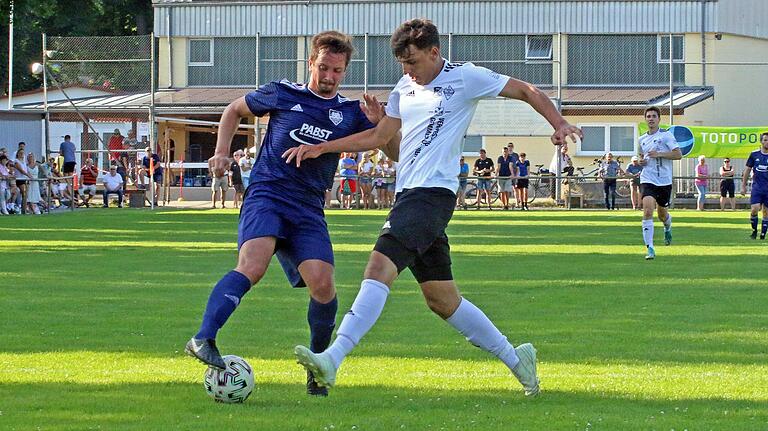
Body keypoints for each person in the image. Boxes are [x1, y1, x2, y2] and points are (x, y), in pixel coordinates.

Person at [284, 18, 582, 396]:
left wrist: (557, 122)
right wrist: (374, 128)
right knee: (442, 299)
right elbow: (385, 142)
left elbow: (525, 89)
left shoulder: (466, 76)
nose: (408, 72)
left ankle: (334, 357)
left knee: (378, 266)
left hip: (433, 193)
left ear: (434, 53)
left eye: (413, 63)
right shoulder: (403, 89)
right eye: (402, 65)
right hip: (409, 193)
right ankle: (516, 357)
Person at [183, 30, 397, 398]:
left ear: (346, 71)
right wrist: (221, 151)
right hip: (267, 193)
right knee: (252, 265)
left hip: (308, 207)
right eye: (325, 68)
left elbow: (392, 152)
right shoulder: (283, 93)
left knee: (324, 284)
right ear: (311, 62)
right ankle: (203, 338)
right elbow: (234, 110)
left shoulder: (350, 113)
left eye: (338, 71)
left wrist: (381, 123)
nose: (330, 77)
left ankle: (317, 367)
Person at [638, 106, 682, 260]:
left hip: (664, 180)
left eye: (653, 116)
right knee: (648, 210)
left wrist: (660, 154)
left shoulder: (666, 136)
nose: (651, 119)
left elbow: (678, 154)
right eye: (648, 116)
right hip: (647, 179)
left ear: (659, 119)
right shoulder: (642, 139)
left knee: (662, 214)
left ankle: (667, 226)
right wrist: (641, 162)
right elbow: (641, 158)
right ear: (645, 119)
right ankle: (650, 248)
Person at [741, 132, 768, 239]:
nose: (767, 142)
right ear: (761, 141)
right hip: (757, 188)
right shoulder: (754, 154)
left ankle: (763, 234)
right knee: (754, 209)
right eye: (765, 140)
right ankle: (754, 230)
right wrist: (743, 186)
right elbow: (747, 170)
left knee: (766, 212)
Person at [13, 148, 30, 214]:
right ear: (18, 154)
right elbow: (21, 170)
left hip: (24, 179)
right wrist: (29, 176)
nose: (22, 154)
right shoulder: (16, 161)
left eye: (23, 153)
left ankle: (24, 208)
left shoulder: (24, 162)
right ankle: (22, 208)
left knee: (25, 194)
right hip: (19, 179)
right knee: (23, 193)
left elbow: (26, 170)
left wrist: (28, 175)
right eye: (20, 153)